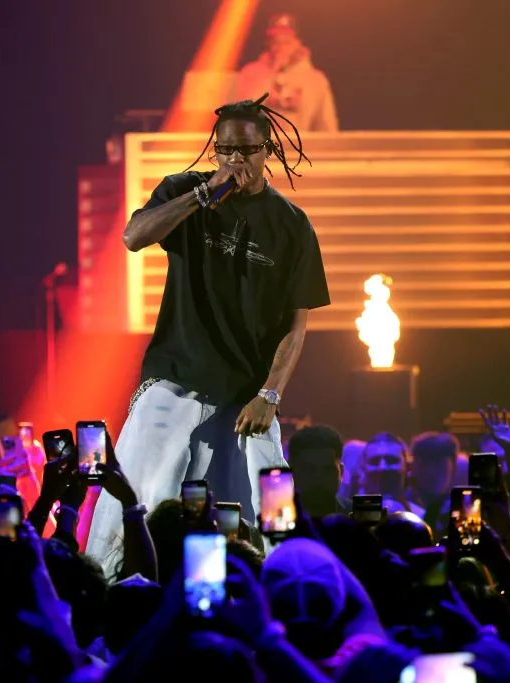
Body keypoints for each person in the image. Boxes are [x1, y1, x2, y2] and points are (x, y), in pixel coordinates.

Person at [86, 94, 330, 577]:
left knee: (263, 514)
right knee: (145, 502)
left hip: (245, 396)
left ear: (268, 151)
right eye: (225, 151)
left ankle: (270, 602)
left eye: (246, 151)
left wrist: (270, 393)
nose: (234, 161)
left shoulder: (291, 225)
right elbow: (134, 237)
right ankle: (119, 595)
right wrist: (203, 195)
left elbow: (295, 325)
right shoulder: (185, 191)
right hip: (175, 380)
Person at [236, 13, 339, 133]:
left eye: (286, 42)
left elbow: (326, 128)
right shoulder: (251, 73)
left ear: (298, 43)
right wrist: (271, 74)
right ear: (268, 44)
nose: (280, 47)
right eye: (275, 42)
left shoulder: (316, 80)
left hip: (299, 148)